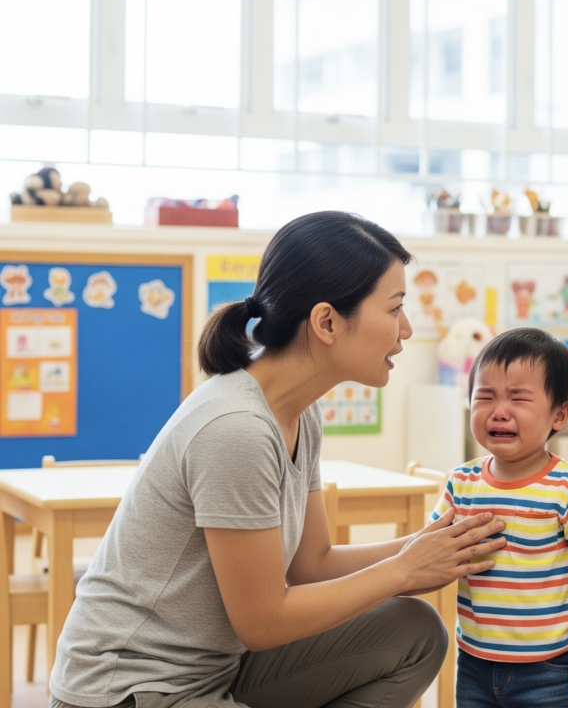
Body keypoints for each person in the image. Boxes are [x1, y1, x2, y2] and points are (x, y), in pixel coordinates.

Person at [49, 211, 508, 708]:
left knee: (414, 630)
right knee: (401, 606)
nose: (407, 330)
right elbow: (264, 621)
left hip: (216, 670)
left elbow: (311, 566)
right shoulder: (236, 429)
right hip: (132, 691)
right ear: (327, 321)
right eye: (394, 308)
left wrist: (423, 545)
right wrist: (403, 571)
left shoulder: (298, 415)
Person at [431, 328, 568, 708]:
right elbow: (432, 548)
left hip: (551, 668)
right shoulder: (461, 482)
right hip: (475, 661)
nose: (499, 410)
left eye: (518, 398)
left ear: (559, 414)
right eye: (485, 396)